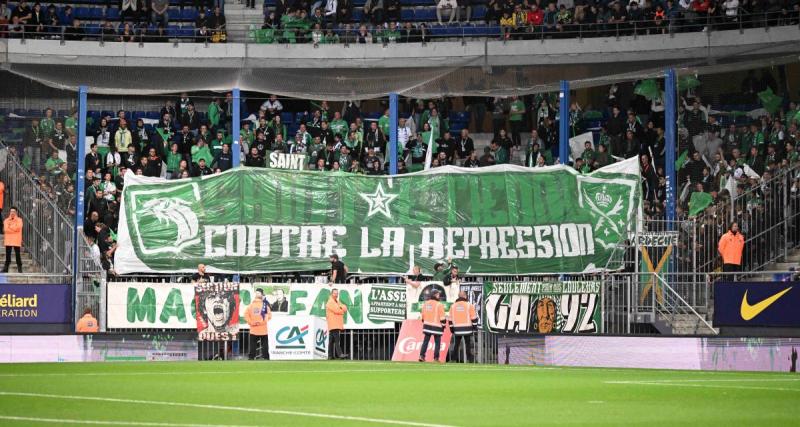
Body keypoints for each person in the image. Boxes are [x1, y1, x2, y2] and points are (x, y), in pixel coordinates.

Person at [448, 291, 477, 363]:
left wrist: (451, 328)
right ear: (465, 296)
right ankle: (469, 359)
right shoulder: (469, 305)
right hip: (467, 329)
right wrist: (474, 327)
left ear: (458, 296)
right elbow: (473, 318)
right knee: (468, 345)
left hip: (457, 329)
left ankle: (454, 359)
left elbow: (450, 319)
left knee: (456, 345)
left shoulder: (453, 306)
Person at [419, 290, 446, 363]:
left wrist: (424, 321)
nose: (439, 296)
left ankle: (421, 356)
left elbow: (423, 315)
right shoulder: (439, 304)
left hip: (427, 325)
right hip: (437, 326)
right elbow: (442, 318)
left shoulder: (426, 303)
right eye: (438, 294)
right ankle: (436, 358)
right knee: (437, 343)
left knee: (425, 341)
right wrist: (443, 326)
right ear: (434, 295)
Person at [245, 288, 271, 360]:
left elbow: (246, 315)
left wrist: (252, 323)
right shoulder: (265, 305)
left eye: (257, 293)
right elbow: (269, 316)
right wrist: (261, 322)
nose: (257, 294)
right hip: (263, 329)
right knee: (264, 345)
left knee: (253, 345)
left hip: (254, 329)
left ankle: (251, 358)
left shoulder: (251, 306)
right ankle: (266, 357)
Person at [325, 288, 348, 360]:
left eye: (337, 293)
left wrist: (341, 308)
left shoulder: (336, 302)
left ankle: (330, 356)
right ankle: (340, 354)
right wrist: (342, 310)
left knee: (331, 341)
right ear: (331, 294)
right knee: (337, 340)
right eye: (335, 293)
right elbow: (338, 310)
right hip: (334, 324)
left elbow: (345, 308)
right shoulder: (330, 302)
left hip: (334, 324)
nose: (336, 295)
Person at [2, 207, 23, 273]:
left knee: (18, 255)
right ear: (9, 212)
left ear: (16, 212)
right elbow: (5, 229)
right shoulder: (6, 220)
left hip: (16, 240)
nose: (12, 212)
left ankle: (20, 269)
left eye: (14, 211)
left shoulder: (19, 220)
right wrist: (14, 228)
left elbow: (19, 227)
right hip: (8, 240)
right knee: (8, 255)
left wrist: (10, 227)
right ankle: (6, 269)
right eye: (11, 211)